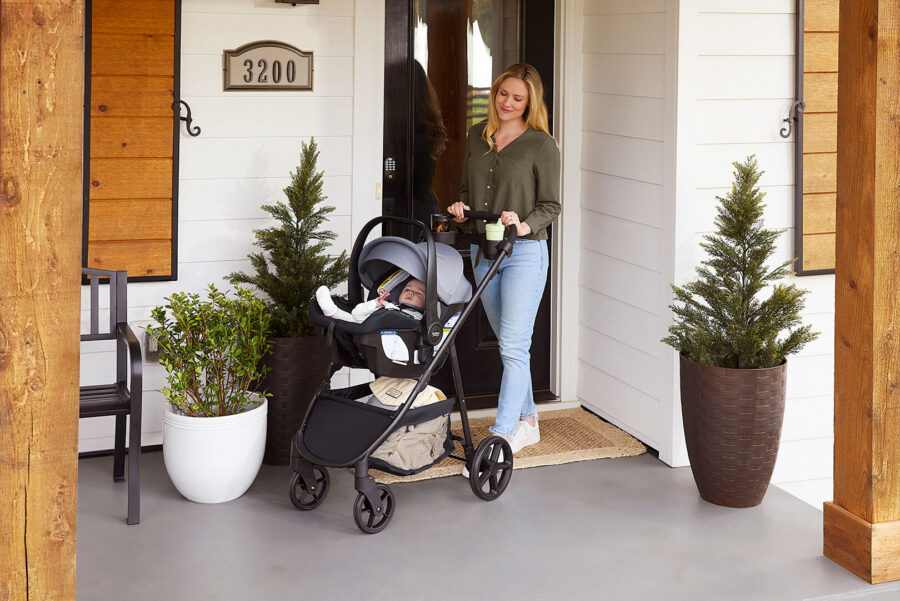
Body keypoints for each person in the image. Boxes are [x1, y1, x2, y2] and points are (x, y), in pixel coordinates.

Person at [447, 63, 560, 454]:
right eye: (503, 94)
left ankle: (502, 434)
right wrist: (461, 208)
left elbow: (551, 205)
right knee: (508, 344)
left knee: (513, 345)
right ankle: (528, 420)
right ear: (495, 93)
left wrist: (522, 224)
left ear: (531, 102)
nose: (508, 103)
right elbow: (466, 188)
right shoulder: (478, 136)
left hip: (524, 253)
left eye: (518, 98)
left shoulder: (541, 144)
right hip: (484, 251)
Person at [315, 279, 426, 324]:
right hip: (372, 321)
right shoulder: (394, 303)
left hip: (386, 331)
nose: (411, 293)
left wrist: (391, 309)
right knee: (357, 315)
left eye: (418, 293)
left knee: (358, 321)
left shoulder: (418, 316)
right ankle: (331, 311)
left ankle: (333, 313)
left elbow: (406, 321)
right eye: (407, 289)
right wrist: (378, 302)